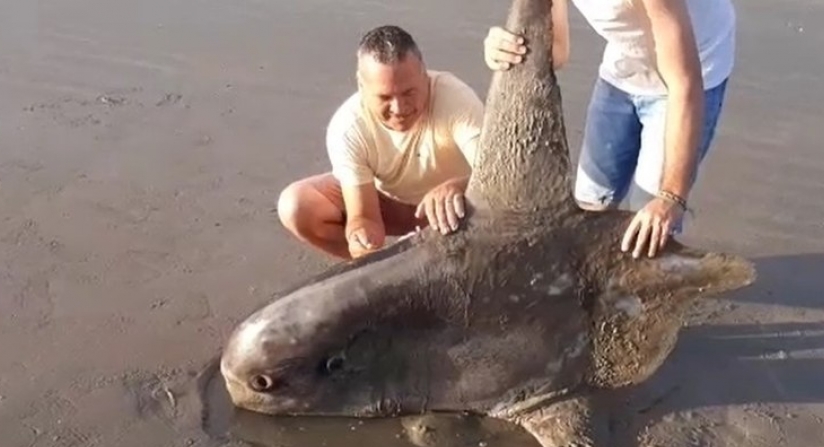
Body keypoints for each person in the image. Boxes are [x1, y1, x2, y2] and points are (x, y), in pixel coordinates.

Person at [483, 0, 736, 259]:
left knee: (648, 223)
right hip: (625, 66)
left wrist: (672, 197)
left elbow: (684, 82)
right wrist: (507, 50)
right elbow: (556, 51)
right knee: (590, 202)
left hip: (695, 64)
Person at [278, 25, 484, 259]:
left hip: (456, 207)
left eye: (409, 93)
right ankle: (380, 270)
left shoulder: (455, 98)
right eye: (385, 97)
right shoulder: (348, 127)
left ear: (425, 76)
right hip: (389, 203)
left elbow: (495, 171)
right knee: (296, 205)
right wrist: (362, 241)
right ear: (361, 87)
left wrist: (457, 186)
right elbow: (364, 217)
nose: (399, 109)